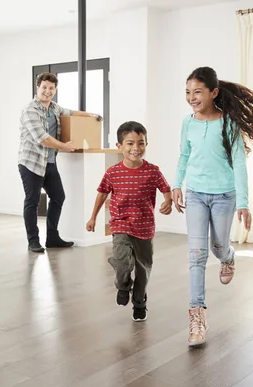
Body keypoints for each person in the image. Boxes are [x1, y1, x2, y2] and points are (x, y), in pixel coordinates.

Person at [172, 66, 253, 346]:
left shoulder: (229, 124)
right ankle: (197, 316)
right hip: (196, 195)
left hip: (225, 195)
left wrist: (245, 203)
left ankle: (227, 257)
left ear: (213, 93)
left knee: (217, 247)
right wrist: (177, 184)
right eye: (188, 92)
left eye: (197, 91)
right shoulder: (187, 123)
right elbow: (183, 155)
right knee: (197, 255)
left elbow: (239, 162)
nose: (191, 97)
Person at [86, 121, 172, 322]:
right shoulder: (113, 172)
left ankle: (140, 302)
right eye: (130, 143)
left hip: (144, 227)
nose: (136, 148)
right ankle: (123, 285)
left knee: (143, 269)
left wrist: (168, 201)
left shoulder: (153, 171)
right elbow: (102, 194)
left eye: (140, 143)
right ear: (119, 146)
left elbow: (165, 188)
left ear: (146, 144)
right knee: (123, 261)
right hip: (121, 224)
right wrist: (93, 217)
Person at [18, 72, 101, 253]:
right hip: (31, 162)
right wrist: (64, 146)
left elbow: (71, 112)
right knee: (32, 201)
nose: (47, 91)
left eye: (51, 88)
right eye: (44, 87)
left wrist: (91, 115)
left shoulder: (54, 108)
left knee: (58, 197)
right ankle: (33, 241)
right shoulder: (30, 110)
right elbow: (42, 138)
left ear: (55, 90)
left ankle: (53, 237)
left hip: (49, 162)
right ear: (37, 88)